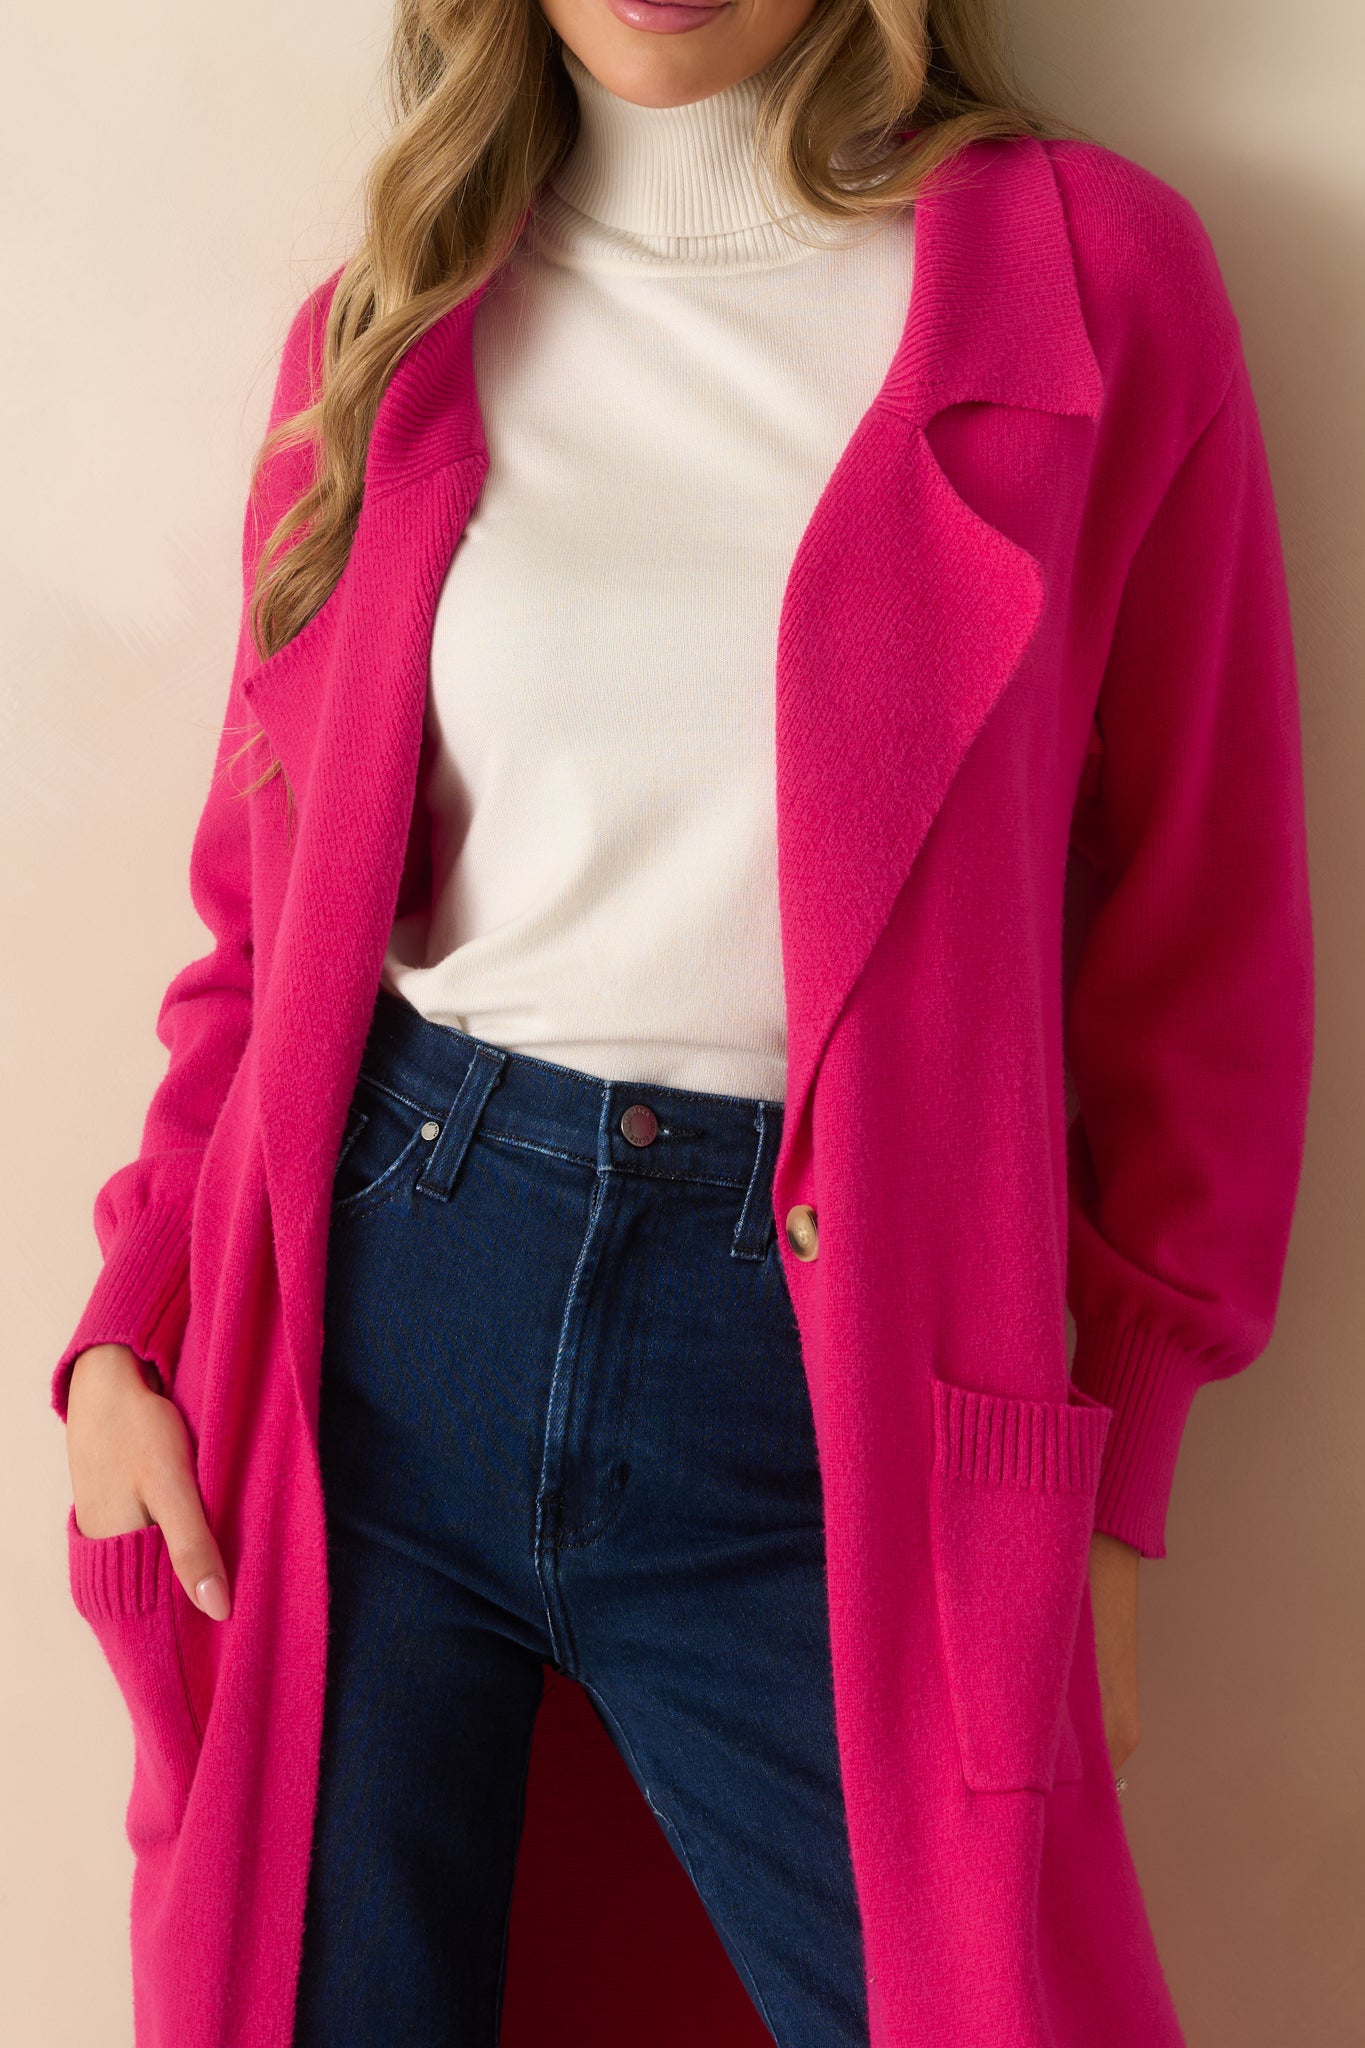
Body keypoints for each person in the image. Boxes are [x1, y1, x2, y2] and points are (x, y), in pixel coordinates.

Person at [55, 0, 1314, 2043]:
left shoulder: (1086, 287)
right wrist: (128, 1339)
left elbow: (1197, 941)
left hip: (822, 1383)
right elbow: (254, 941)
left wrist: (1115, 1470)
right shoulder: (380, 330)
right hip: (385, 1333)